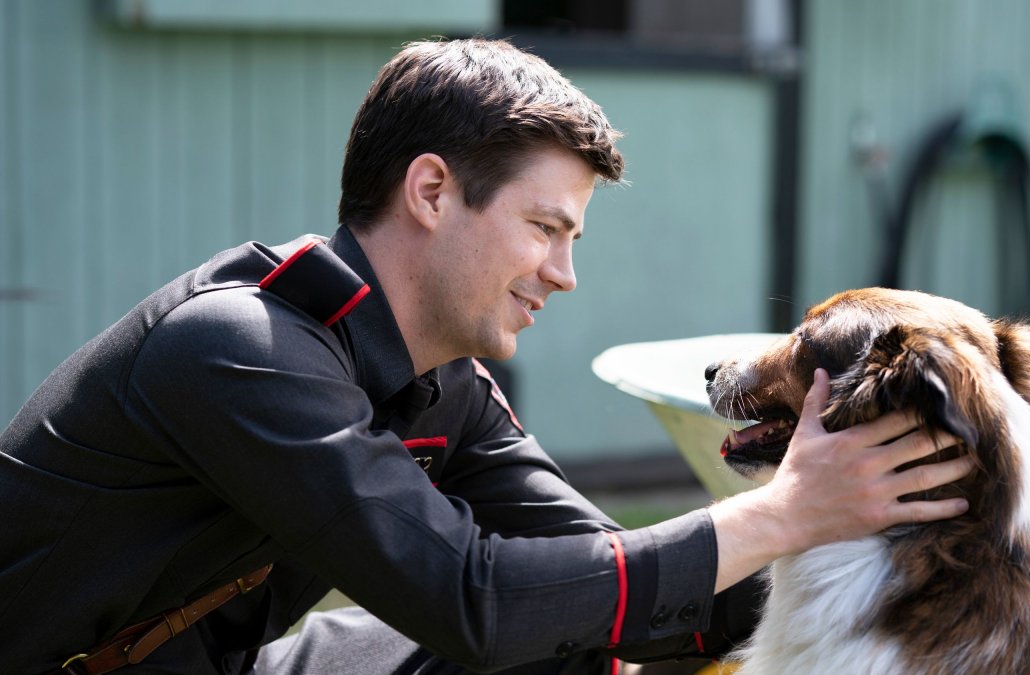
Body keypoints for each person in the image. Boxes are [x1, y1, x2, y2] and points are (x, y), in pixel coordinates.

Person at [0, 38, 971, 674]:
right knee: (513, 623)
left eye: (575, 239)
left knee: (572, 630)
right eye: (546, 227)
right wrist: (784, 512)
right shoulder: (238, 351)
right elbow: (472, 599)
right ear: (431, 191)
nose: (563, 274)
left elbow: (617, 585)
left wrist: (919, 554)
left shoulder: (444, 392)